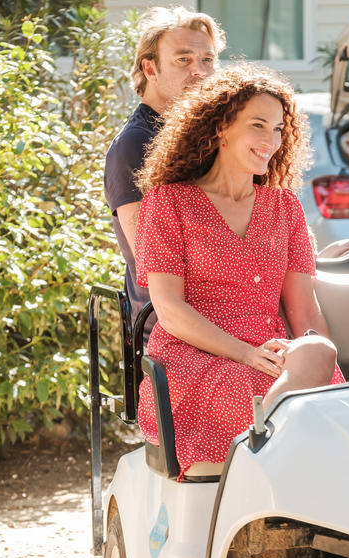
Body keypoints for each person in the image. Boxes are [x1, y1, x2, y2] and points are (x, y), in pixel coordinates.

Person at [134, 65, 344, 476]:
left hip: (271, 354)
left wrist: (319, 362)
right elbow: (170, 310)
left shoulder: (285, 207)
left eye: (280, 129)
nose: (272, 141)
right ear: (220, 128)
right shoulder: (167, 202)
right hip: (193, 355)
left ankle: (268, 437)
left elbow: (305, 313)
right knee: (248, 389)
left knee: (320, 351)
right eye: (258, 125)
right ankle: (267, 442)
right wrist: (246, 353)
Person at [104, 6, 225, 336]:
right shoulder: (135, 145)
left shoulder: (209, 136)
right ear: (150, 69)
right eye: (183, 60)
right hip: (170, 334)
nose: (199, 72)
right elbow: (149, 258)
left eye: (208, 60)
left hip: (230, 312)